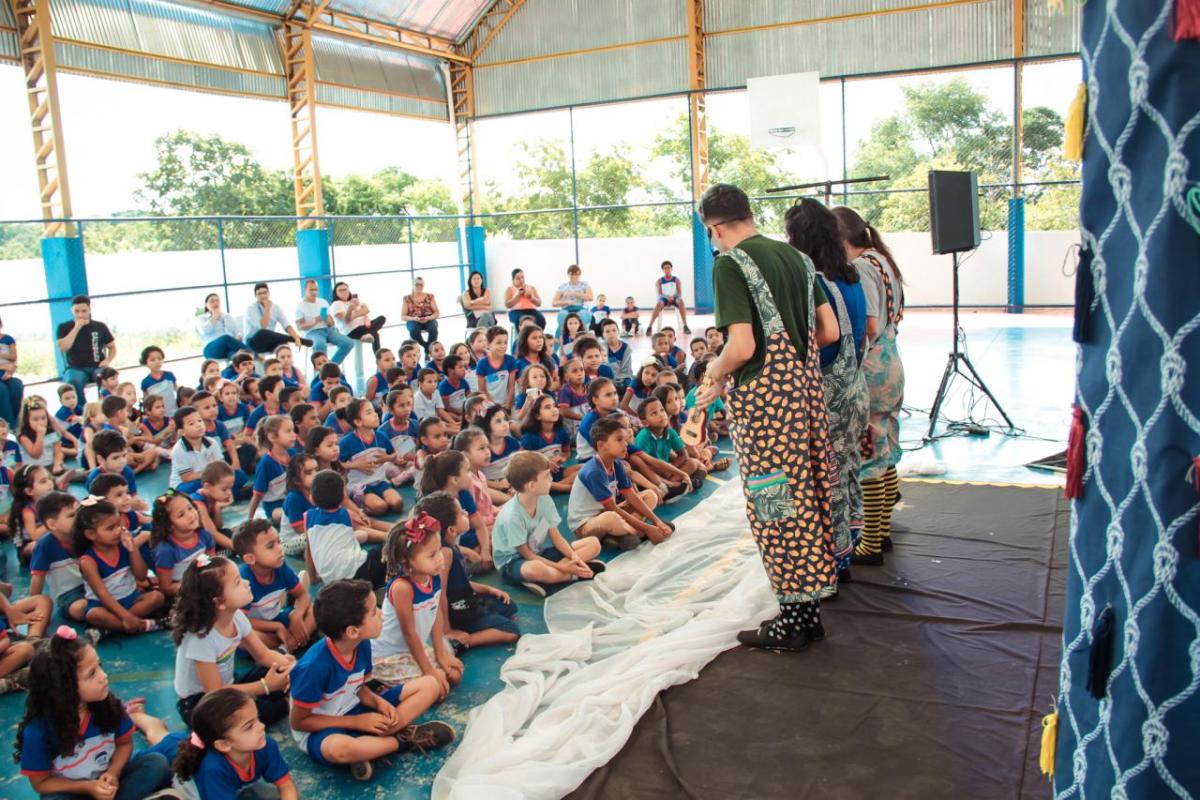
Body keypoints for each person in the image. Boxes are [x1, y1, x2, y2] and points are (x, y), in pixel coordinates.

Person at [693, 182, 840, 652]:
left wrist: (714, 372)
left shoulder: (731, 265)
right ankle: (808, 611)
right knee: (809, 493)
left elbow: (743, 347)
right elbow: (829, 330)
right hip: (805, 397)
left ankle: (792, 617)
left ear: (714, 228)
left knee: (774, 503)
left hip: (765, 410)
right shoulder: (798, 259)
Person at [287, 579, 455, 781]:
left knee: (430, 685)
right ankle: (403, 740)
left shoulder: (363, 644)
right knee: (341, 750)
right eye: (374, 612)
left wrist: (379, 703)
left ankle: (371, 747)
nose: (382, 615)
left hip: (356, 708)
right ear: (352, 631)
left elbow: (360, 689)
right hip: (323, 729)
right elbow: (299, 722)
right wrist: (357, 722)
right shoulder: (313, 668)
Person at [787, 199, 869, 584]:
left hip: (830, 396)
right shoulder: (851, 277)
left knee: (827, 481)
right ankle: (848, 549)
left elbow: (827, 337)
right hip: (855, 388)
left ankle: (830, 568)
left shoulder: (816, 283)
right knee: (849, 471)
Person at [15, 628, 176, 799]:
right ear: (64, 688)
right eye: (92, 674)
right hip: (72, 792)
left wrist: (113, 772)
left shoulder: (108, 706)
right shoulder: (39, 730)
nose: (104, 676)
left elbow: (124, 744)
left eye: (99, 666)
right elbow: (41, 783)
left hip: (108, 785)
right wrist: (87, 787)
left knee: (155, 763)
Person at [833, 205, 905, 565]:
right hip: (891, 362)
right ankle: (884, 530)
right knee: (887, 447)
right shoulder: (883, 260)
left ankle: (871, 542)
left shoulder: (861, 267)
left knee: (870, 456)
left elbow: (871, 326)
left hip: (873, 365)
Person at [171, 555, 294, 726]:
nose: (247, 583)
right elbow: (214, 693)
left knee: (281, 665)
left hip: (228, 685)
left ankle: (282, 694)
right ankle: (286, 703)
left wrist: (291, 668)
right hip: (199, 702)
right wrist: (266, 686)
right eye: (237, 582)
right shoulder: (201, 638)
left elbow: (263, 655)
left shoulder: (236, 617)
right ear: (219, 602)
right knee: (259, 714)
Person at [494, 451, 603, 597]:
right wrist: (562, 566)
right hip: (513, 562)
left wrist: (573, 558)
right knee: (536, 569)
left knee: (593, 543)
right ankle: (575, 574)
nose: (551, 479)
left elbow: (556, 537)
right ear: (532, 485)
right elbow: (525, 553)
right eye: (546, 476)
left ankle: (556, 576)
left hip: (537, 552)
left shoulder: (544, 498)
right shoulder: (512, 516)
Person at [373, 514, 463, 688]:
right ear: (407, 564)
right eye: (431, 555)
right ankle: (381, 688)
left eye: (439, 550)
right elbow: (409, 633)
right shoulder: (402, 587)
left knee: (454, 675)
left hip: (413, 650)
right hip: (390, 655)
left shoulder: (434, 575)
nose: (440, 558)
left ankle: (404, 685)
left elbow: (435, 614)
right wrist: (429, 671)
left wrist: (440, 654)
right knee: (436, 687)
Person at [170, 688, 297, 799]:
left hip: (231, 787)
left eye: (257, 718)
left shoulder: (265, 745)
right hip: (190, 786)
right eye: (249, 727)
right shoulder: (213, 769)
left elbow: (286, 785)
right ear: (224, 745)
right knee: (163, 750)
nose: (261, 727)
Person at [566, 415, 670, 550]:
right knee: (611, 518)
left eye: (624, 439)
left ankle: (619, 535)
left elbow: (631, 496)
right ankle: (638, 532)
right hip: (586, 524)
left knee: (650, 495)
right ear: (601, 445)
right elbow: (612, 509)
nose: (626, 443)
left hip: (607, 512)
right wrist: (649, 529)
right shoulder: (594, 471)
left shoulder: (617, 464)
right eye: (619, 440)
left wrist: (658, 522)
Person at [56, 295, 116, 401]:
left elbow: (112, 347)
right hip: (75, 368)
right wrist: (77, 328)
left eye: (84, 311)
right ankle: (82, 410)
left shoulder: (100, 326)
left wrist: (108, 360)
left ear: (89, 310)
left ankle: (107, 405)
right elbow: (63, 347)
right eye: (77, 311)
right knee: (74, 381)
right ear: (72, 311)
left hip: (97, 365)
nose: (80, 314)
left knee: (108, 378)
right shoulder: (63, 327)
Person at [296, 279, 354, 365]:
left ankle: (331, 365)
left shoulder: (323, 302)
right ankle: (321, 370)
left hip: (328, 330)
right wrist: (315, 321)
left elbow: (332, 323)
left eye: (316, 289)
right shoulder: (301, 305)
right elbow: (299, 326)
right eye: (311, 290)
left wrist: (328, 320)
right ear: (305, 290)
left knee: (348, 343)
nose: (314, 292)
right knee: (319, 345)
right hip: (312, 332)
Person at [243, 283, 312, 355]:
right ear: (255, 296)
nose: (263, 296)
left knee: (283, 345)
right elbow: (263, 327)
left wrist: (296, 337)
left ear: (269, 293)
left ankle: (295, 341)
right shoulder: (251, 309)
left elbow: (286, 324)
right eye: (259, 294)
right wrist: (267, 308)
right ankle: (296, 340)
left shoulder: (275, 307)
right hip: (253, 343)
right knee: (262, 332)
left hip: (268, 342)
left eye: (265, 293)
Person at [330, 281, 386, 354]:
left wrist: (353, 314)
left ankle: (367, 335)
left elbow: (367, 310)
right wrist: (351, 309)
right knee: (375, 334)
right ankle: (379, 357)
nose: (343, 292)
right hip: (351, 331)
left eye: (345, 289)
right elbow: (346, 320)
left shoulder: (354, 300)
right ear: (336, 293)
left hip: (365, 326)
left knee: (382, 318)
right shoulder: (336, 304)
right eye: (340, 290)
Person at [196, 293, 250, 362]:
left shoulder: (227, 316)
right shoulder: (202, 318)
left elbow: (236, 332)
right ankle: (254, 354)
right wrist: (215, 316)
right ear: (206, 305)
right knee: (226, 338)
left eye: (217, 301)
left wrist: (238, 336)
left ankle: (243, 369)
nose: (215, 303)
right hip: (211, 349)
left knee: (237, 356)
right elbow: (204, 331)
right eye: (212, 301)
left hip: (227, 348)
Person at [645, 260, 692, 336]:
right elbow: (660, 294)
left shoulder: (676, 280)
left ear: (671, 268)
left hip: (674, 298)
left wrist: (673, 297)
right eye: (665, 268)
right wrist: (667, 297)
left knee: (681, 301)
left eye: (669, 267)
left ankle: (685, 326)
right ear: (663, 270)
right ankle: (650, 326)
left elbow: (679, 293)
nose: (667, 269)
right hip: (664, 298)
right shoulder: (659, 281)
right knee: (658, 304)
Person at [551, 264, 594, 335]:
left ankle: (582, 337)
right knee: (563, 316)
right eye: (571, 274)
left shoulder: (584, 284)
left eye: (576, 274)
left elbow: (590, 297)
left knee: (581, 316)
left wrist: (574, 293)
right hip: (566, 308)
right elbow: (554, 303)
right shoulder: (563, 286)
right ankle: (563, 340)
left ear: (579, 275)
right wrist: (567, 302)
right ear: (568, 274)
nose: (574, 276)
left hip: (580, 308)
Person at [402, 277, 440, 355]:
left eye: (421, 284)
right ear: (413, 285)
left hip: (428, 319)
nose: (419, 286)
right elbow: (403, 316)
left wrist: (429, 317)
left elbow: (437, 313)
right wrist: (414, 318)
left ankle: (428, 351)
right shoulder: (407, 298)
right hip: (414, 319)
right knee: (413, 330)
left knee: (433, 329)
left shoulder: (430, 296)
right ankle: (427, 348)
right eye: (417, 284)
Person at [0, 315, 25, 426]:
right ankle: (9, 426)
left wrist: (10, 370)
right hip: (3, 370)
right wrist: (4, 367)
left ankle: (19, 424)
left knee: (16, 385)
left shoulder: (8, 339)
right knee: (2, 390)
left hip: (6, 374)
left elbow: (14, 360)